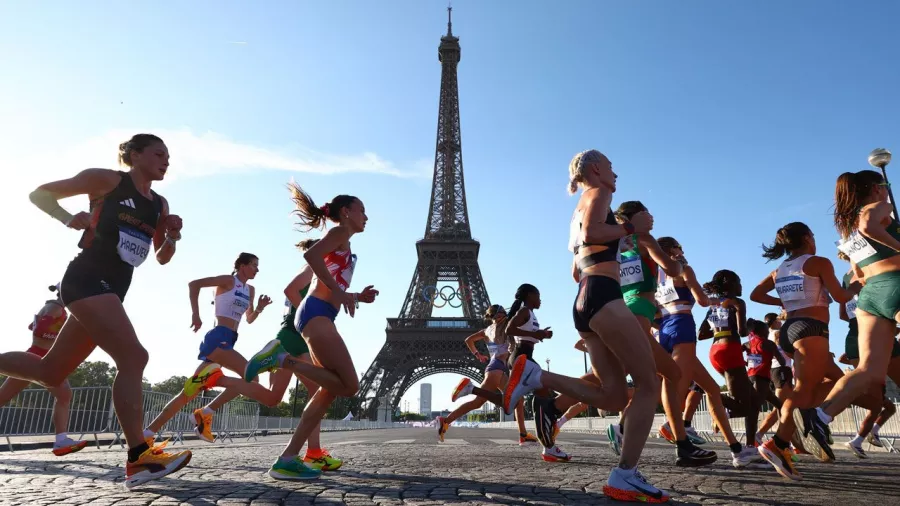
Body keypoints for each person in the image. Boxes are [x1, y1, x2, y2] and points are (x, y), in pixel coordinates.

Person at [0, 134, 191, 488]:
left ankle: (140, 457)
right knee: (134, 357)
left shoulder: (159, 205)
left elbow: (162, 258)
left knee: (50, 372)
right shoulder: (107, 180)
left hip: (112, 291)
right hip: (86, 279)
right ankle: (139, 457)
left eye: (169, 156)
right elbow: (39, 194)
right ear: (134, 156)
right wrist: (66, 217)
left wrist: (173, 236)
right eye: (159, 153)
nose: (166, 160)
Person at [505, 149, 669, 503]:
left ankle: (538, 378)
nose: (615, 172)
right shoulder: (600, 193)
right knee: (647, 384)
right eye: (611, 166)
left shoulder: (577, 208)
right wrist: (630, 228)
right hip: (604, 297)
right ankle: (625, 475)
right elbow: (596, 231)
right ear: (596, 169)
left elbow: (576, 265)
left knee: (613, 395)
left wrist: (617, 242)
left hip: (584, 299)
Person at [243, 184, 378, 481]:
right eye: (362, 210)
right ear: (346, 212)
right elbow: (312, 256)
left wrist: (354, 296)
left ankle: (288, 458)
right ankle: (281, 359)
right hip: (315, 312)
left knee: (327, 392)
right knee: (350, 385)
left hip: (319, 312)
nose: (366, 216)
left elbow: (330, 282)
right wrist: (340, 293)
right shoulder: (340, 232)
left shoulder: (345, 239)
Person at [142, 253, 304, 449]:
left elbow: (249, 318)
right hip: (218, 337)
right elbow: (194, 284)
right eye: (253, 265)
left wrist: (259, 309)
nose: (257, 269)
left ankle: (147, 434)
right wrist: (196, 314)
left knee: (188, 392)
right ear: (241, 266)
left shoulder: (250, 289)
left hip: (230, 340)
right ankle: (207, 410)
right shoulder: (228, 281)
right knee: (252, 378)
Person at [751, 222, 855, 478]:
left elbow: (755, 294)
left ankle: (804, 421)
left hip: (791, 329)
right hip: (812, 328)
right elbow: (841, 297)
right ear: (808, 238)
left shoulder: (780, 270)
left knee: (829, 384)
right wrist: (860, 283)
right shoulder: (818, 262)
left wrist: (784, 303)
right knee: (805, 390)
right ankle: (778, 443)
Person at [816, 171, 900, 444]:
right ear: (877, 188)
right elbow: (869, 226)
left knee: (869, 371)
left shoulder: (848, 228)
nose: (887, 191)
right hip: (894, 285)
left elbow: (858, 274)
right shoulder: (878, 207)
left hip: (871, 297)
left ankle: (820, 416)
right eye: (886, 186)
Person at [0, 284, 87, 456]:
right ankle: (61, 441)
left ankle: (61, 440)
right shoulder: (55, 308)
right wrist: (63, 337)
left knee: (2, 397)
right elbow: (40, 331)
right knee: (64, 395)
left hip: (36, 355)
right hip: (42, 358)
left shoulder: (54, 308)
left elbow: (32, 327)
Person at [445, 305, 544, 450]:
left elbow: (469, 340)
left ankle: (523, 434)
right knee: (483, 402)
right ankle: (469, 390)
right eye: (502, 314)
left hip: (497, 367)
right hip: (497, 367)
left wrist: (478, 355)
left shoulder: (487, 330)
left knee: (516, 400)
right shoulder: (504, 326)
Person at [697, 270, 766, 466]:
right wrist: (749, 324)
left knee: (753, 403)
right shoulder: (737, 302)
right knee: (744, 406)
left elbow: (701, 334)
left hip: (715, 350)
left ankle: (750, 448)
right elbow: (743, 331)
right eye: (739, 282)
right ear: (730, 284)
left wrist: (721, 329)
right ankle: (718, 409)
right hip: (730, 349)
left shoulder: (713, 305)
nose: (741, 286)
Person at [742, 318, 786, 446]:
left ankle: (783, 437)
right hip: (761, 380)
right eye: (766, 331)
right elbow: (782, 361)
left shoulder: (748, 344)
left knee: (781, 406)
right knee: (753, 412)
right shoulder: (768, 344)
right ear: (762, 331)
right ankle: (750, 444)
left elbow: (737, 354)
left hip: (751, 378)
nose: (768, 333)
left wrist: (746, 363)